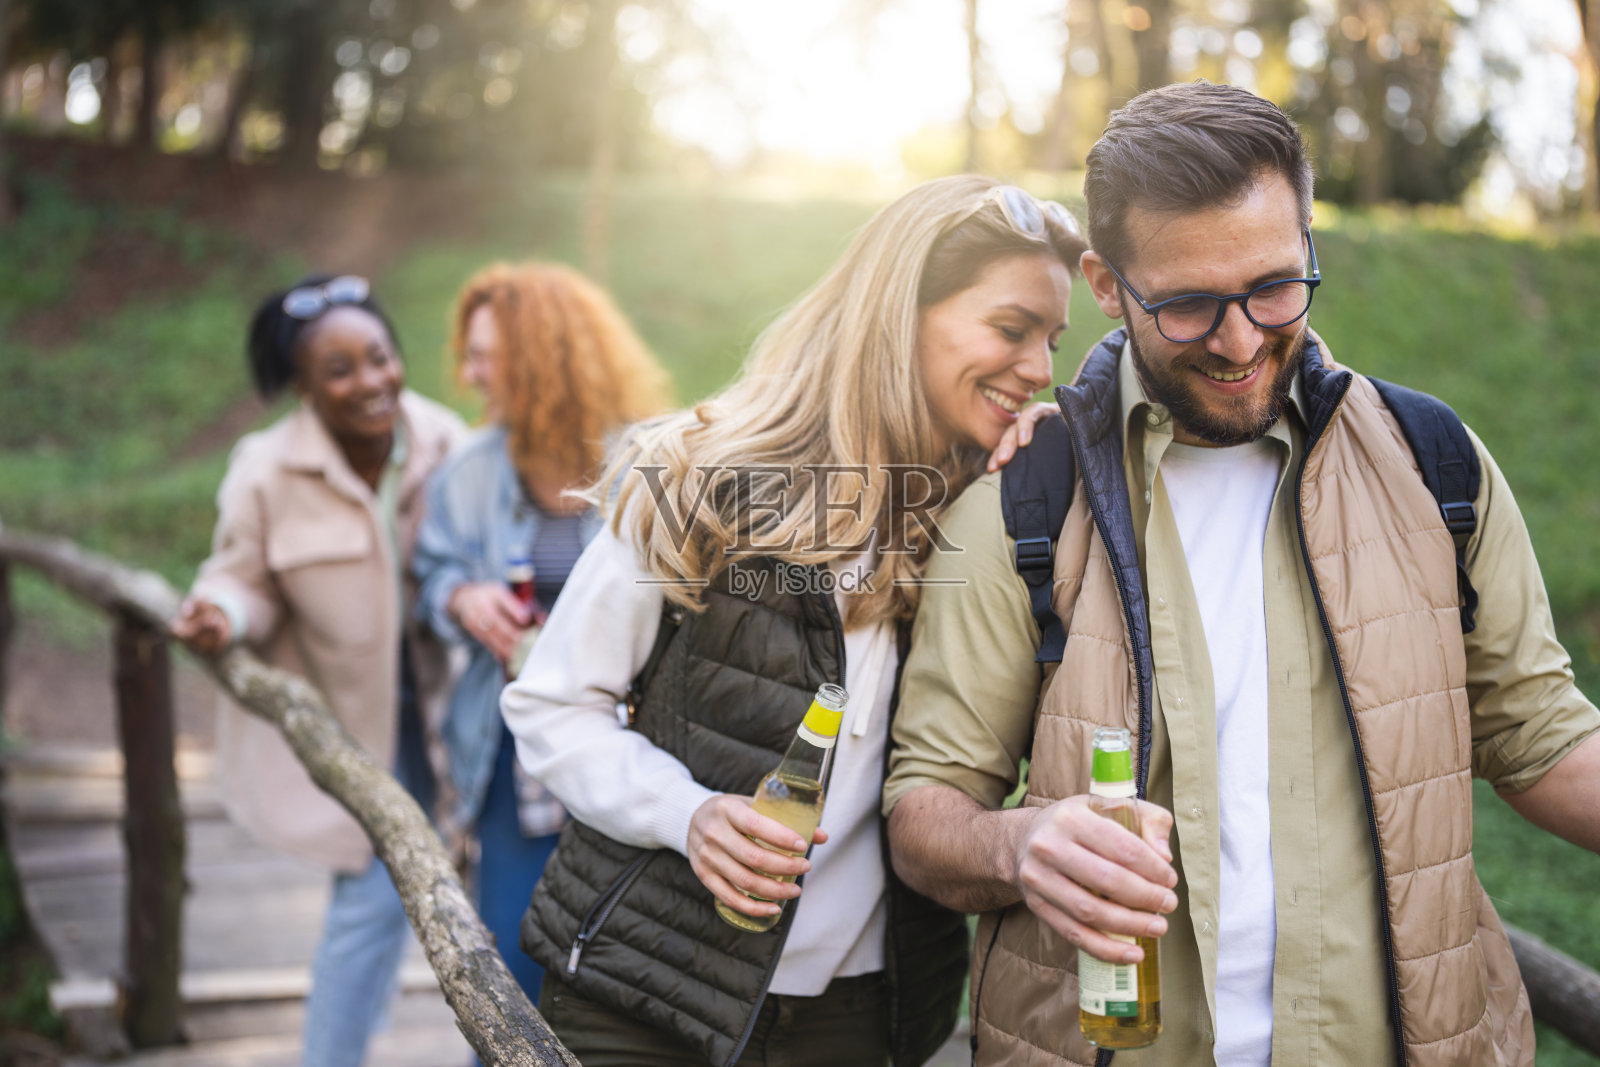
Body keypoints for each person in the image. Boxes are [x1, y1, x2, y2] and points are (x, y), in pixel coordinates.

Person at [883, 81, 1600, 1067]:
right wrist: (1015, 844)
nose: (1238, 339)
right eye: (1185, 304)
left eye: (1274, 285)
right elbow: (925, 809)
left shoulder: (1437, 463)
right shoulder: (1021, 500)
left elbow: (1544, 739)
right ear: (1103, 281)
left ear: (1307, 240)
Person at [498, 175, 1089, 1067]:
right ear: (900, 314)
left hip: (860, 1016)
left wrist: (1031, 488)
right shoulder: (701, 473)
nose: (1042, 368)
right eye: (1011, 330)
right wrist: (687, 813)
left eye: (1052, 339)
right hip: (644, 993)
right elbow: (551, 707)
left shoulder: (995, 510)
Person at [170, 274, 466, 1067]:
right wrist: (219, 614)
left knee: (463, 899)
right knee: (372, 901)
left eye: (379, 357)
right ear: (302, 385)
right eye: (340, 371)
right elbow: (243, 577)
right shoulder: (265, 469)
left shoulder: (446, 442)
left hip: (452, 713)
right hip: (354, 723)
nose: (371, 382)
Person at [411, 261, 670, 1009]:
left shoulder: (649, 461)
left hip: (632, 742)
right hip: (514, 752)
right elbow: (431, 575)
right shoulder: (468, 470)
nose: (469, 373)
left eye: (486, 356)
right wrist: (460, 596)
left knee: (617, 965)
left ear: (544, 358)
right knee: (513, 956)